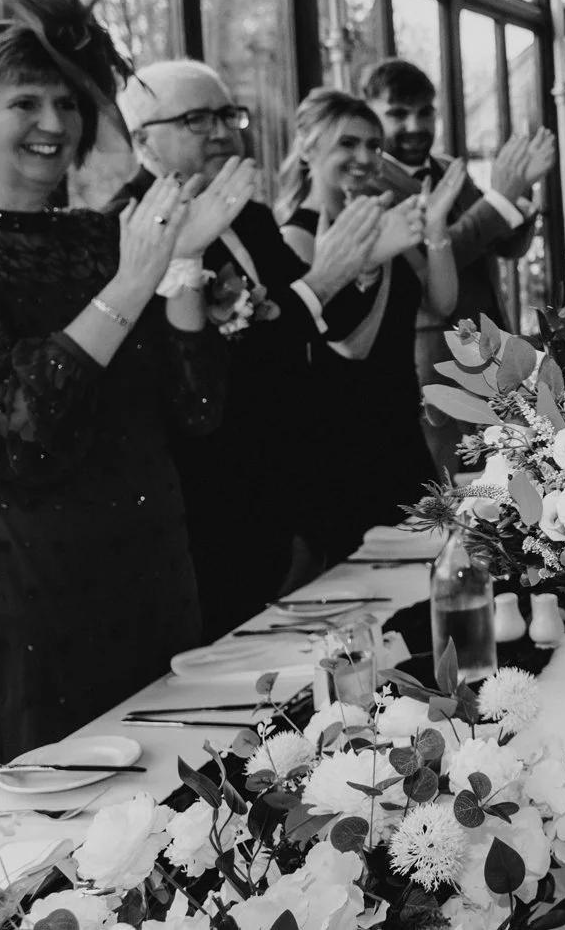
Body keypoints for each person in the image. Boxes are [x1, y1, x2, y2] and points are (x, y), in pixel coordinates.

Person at [0, 0, 248, 799]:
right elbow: (12, 433)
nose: (54, 121)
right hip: (32, 592)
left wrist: (182, 265)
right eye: (26, 101)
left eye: (67, 101)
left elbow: (199, 412)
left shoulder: (97, 235)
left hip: (154, 572)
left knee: (187, 828)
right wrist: (134, 280)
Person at [109, 60, 381, 636]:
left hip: (286, 490)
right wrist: (324, 278)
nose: (221, 131)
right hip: (205, 507)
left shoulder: (249, 217)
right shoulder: (127, 231)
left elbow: (308, 327)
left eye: (227, 115)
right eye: (195, 118)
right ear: (142, 142)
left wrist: (361, 264)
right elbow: (196, 376)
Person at [277, 88, 463, 566]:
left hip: (402, 432)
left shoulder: (383, 220)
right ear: (308, 147)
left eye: (372, 146)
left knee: (433, 568)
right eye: (348, 144)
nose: (364, 158)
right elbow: (345, 346)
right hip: (341, 447)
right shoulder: (295, 238)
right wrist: (372, 256)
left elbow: (440, 303)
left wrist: (436, 226)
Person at [360, 58, 555, 474]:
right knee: (457, 478)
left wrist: (520, 191)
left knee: (511, 470)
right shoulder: (370, 186)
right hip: (434, 355)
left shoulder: (449, 168)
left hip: (494, 342)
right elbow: (435, 263)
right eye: (397, 114)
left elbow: (505, 244)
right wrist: (499, 201)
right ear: (369, 115)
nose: (415, 126)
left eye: (425, 112)